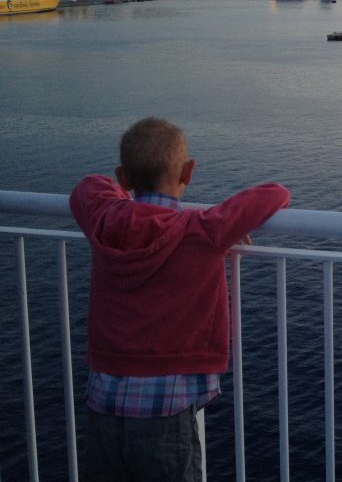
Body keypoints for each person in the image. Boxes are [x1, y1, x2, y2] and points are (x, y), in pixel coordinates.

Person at [70, 117, 290, 481]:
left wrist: (123, 201)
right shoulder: (202, 229)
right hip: (165, 409)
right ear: (189, 172)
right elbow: (275, 193)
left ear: (123, 178)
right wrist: (229, 226)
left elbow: (87, 188)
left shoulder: (105, 221)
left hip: (104, 401)